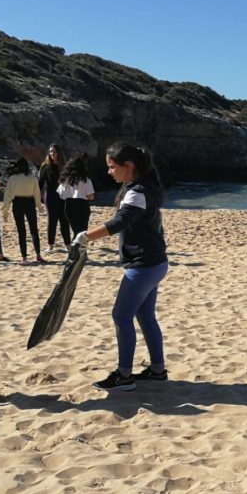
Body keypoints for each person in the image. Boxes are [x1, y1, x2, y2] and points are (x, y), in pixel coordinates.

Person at [72, 142, 168, 391]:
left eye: (112, 167)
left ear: (129, 166)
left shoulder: (137, 191)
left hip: (144, 265)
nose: (109, 172)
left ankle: (124, 376)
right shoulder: (144, 187)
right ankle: (157, 370)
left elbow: (119, 222)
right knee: (145, 315)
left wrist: (85, 236)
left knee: (121, 316)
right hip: (155, 262)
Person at [2, 157, 45, 264]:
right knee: (34, 230)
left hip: (18, 204)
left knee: (21, 232)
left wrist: (5, 211)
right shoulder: (32, 178)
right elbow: (37, 194)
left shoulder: (12, 178)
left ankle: (24, 258)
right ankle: (38, 255)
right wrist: (39, 207)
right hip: (30, 203)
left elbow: (7, 196)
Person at [38, 143, 72, 253]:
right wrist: (38, 197)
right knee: (52, 221)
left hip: (63, 197)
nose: (52, 154)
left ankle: (68, 245)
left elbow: (70, 182)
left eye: (54, 151)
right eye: (51, 151)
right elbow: (40, 183)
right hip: (50, 197)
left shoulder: (65, 166)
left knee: (64, 220)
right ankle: (50, 245)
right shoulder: (45, 166)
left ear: (59, 153)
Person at [57, 154, 95, 235]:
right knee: (82, 231)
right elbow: (90, 197)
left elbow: (61, 195)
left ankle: (75, 246)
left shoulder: (65, 180)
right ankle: (77, 247)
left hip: (69, 205)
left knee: (76, 231)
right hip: (82, 205)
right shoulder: (86, 179)